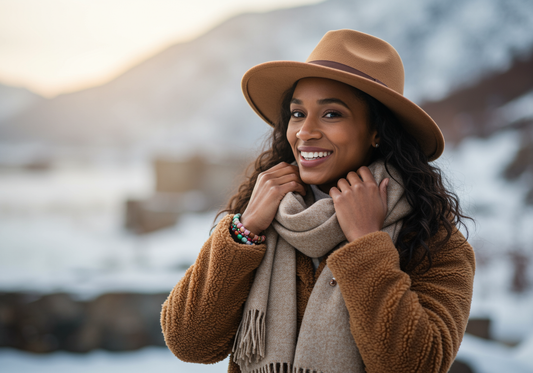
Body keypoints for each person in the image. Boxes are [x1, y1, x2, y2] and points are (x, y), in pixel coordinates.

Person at [161, 29, 475, 373]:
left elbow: (417, 366)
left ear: (377, 132)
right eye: (297, 114)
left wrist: (368, 245)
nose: (304, 131)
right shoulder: (265, 220)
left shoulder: (435, 242)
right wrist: (245, 228)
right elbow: (189, 342)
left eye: (331, 114)